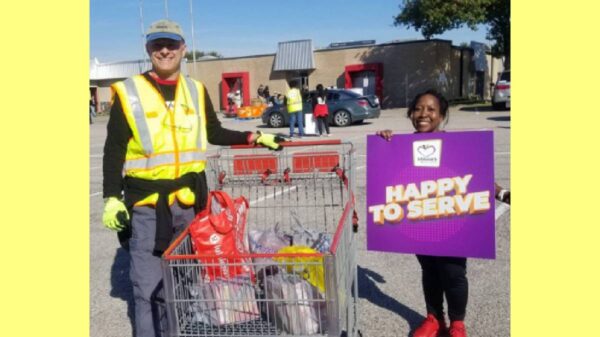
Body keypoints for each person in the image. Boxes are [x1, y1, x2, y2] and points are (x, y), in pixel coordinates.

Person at [101, 19, 284, 337]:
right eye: (158, 45)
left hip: (188, 203)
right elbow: (113, 149)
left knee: (184, 283)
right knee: (148, 290)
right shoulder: (129, 92)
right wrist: (111, 197)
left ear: (183, 49)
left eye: (171, 44)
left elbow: (214, 132)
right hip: (146, 206)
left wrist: (255, 137)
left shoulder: (196, 90)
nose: (165, 50)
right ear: (148, 50)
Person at [376, 89, 510, 337]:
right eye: (418, 109)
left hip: (453, 220)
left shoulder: (455, 146)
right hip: (420, 220)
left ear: (441, 115)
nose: (423, 114)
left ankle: (457, 324)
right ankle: (434, 318)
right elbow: (388, 176)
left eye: (430, 109)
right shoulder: (401, 147)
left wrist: (502, 194)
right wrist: (384, 143)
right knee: (429, 270)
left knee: (453, 273)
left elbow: (477, 179)